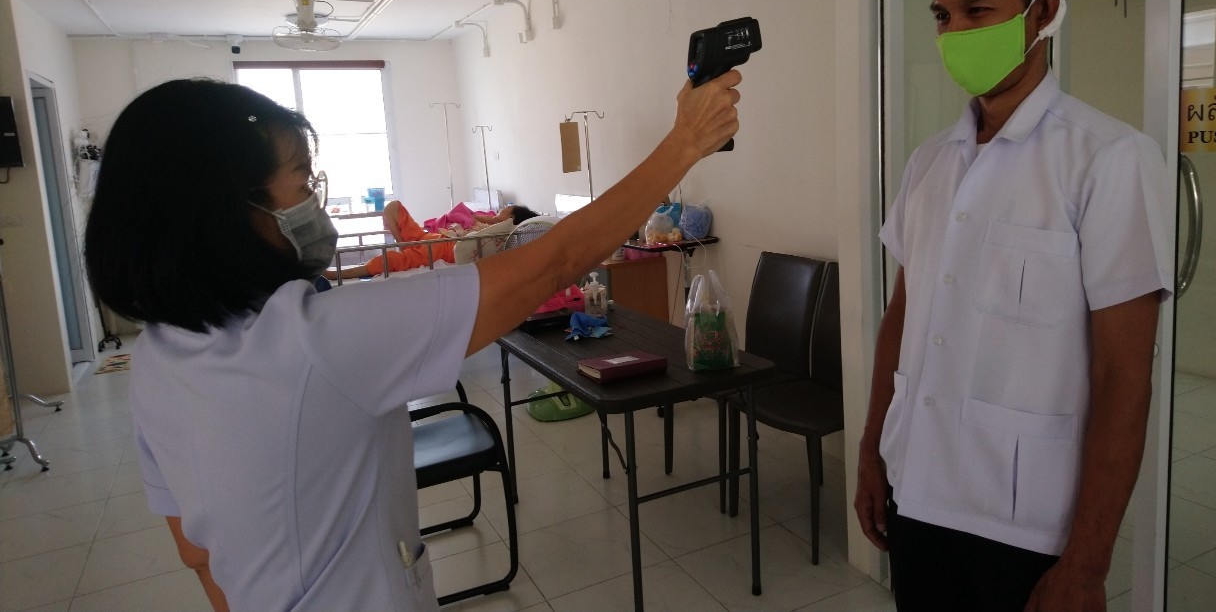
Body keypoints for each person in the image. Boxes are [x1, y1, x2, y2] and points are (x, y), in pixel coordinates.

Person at [82, 72, 740, 611]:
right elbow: (555, 261)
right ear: (228, 212)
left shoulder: (157, 359)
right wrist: (684, 143)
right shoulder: (318, 338)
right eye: (303, 183)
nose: (313, 202)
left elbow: (197, 554)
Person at [853, 0, 1173, 612]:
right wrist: (873, 450)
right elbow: (901, 317)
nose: (955, 33)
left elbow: (1125, 376)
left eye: (979, 11)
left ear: (1043, 10)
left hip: (1025, 522)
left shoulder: (1108, 159)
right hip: (916, 491)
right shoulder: (930, 162)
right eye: (943, 16)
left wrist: (1086, 565)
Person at [324, 200, 536, 279]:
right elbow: (472, 217)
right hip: (433, 238)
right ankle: (404, 246)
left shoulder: (500, 233)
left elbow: (479, 226)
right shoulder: (494, 225)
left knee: (390, 261)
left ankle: (336, 274)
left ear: (511, 220)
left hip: (441, 249)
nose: (498, 212)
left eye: (504, 211)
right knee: (394, 207)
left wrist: (498, 220)